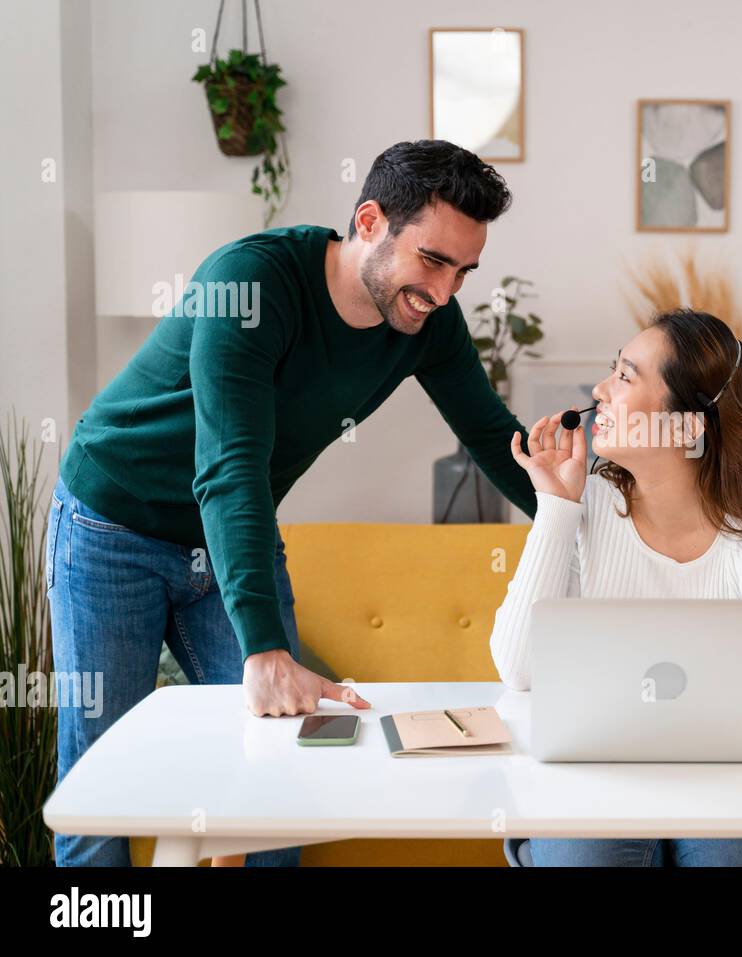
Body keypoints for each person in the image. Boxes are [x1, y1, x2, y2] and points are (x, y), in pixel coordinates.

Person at [47, 140, 538, 866]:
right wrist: (264, 648)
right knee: (101, 783)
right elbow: (229, 465)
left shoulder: (429, 325)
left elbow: (496, 440)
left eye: (463, 271)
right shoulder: (251, 283)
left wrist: (595, 523)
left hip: (231, 535)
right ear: (369, 221)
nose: (443, 291)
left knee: (287, 776)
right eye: (433, 260)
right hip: (111, 524)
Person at [491, 307, 742, 866]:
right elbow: (516, 670)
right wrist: (555, 509)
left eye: (626, 376)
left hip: (731, 784)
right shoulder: (582, 506)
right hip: (596, 778)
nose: (599, 390)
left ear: (686, 426)